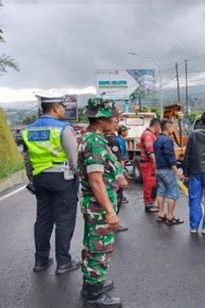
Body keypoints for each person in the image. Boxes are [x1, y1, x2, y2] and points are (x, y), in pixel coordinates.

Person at [22, 94, 81, 274]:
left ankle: (40, 261)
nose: (64, 110)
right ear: (55, 108)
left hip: (40, 179)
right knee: (64, 220)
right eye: (62, 107)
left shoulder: (28, 130)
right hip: (62, 179)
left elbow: (27, 159)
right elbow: (73, 157)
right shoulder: (63, 128)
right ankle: (63, 263)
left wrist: (32, 179)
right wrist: (77, 175)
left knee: (43, 220)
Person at [78, 98, 127, 306]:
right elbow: (96, 181)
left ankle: (93, 283)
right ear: (100, 119)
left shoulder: (92, 138)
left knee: (95, 246)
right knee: (99, 248)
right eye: (113, 116)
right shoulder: (94, 142)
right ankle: (93, 296)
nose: (117, 120)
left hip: (96, 204)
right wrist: (110, 211)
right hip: (98, 206)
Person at [153, 120, 184, 225]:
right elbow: (169, 157)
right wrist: (177, 171)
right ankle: (170, 217)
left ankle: (161, 215)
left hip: (159, 170)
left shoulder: (157, 139)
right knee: (173, 192)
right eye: (172, 128)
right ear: (168, 128)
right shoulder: (167, 140)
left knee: (161, 191)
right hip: (167, 170)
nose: (173, 130)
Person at [104, 126, 129, 233]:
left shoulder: (103, 137)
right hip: (112, 174)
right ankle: (113, 222)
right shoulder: (112, 140)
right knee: (115, 198)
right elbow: (116, 160)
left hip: (105, 174)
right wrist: (121, 175)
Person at [139, 118, 161, 212]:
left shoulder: (151, 134)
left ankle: (151, 203)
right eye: (159, 128)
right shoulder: (148, 135)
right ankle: (148, 204)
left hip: (149, 163)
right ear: (156, 126)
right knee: (149, 184)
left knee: (153, 184)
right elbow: (150, 152)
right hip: (148, 164)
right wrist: (156, 166)